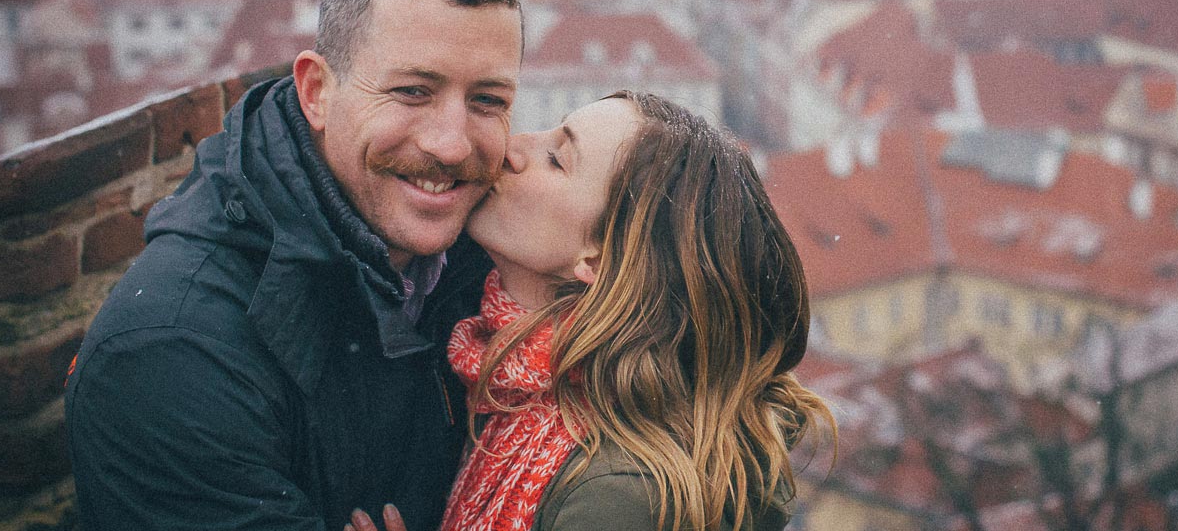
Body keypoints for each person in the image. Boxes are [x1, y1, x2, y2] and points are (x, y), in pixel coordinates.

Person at [65, 0, 523, 531]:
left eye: (488, 100)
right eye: (413, 91)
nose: (451, 144)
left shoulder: (495, 259)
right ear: (316, 92)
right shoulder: (171, 354)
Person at [349, 91, 832, 531]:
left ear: (598, 260)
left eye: (557, 159)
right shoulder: (504, 385)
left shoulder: (617, 498)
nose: (512, 149)